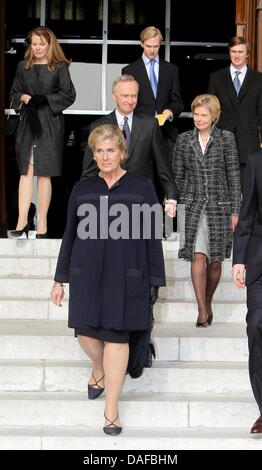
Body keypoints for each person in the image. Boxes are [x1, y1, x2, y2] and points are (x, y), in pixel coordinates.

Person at [51, 124, 166, 435]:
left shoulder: (142, 187)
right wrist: (59, 279)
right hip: (86, 274)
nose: (104, 156)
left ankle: (111, 407)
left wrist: (155, 279)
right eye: (99, 151)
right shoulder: (82, 188)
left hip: (127, 275)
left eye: (110, 150)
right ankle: (99, 368)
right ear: (93, 153)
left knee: (117, 338)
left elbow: (152, 236)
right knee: (85, 334)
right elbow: (70, 236)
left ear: (122, 152)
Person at [81, 74, 176, 367]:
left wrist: (170, 195)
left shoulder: (149, 124)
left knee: (143, 277)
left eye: (134, 95)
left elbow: (162, 163)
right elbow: (87, 174)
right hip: (106, 218)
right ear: (114, 96)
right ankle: (108, 338)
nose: (130, 100)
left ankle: (141, 341)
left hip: (140, 211)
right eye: (125, 95)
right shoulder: (99, 126)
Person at [172, 94, 241, 327]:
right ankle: (202, 311)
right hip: (193, 208)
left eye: (203, 115)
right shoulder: (183, 140)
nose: (198, 119)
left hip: (220, 207)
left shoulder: (226, 139)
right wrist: (183, 200)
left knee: (215, 262)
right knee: (198, 256)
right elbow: (177, 174)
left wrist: (235, 210)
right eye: (196, 114)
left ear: (214, 117)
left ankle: (208, 302)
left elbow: (233, 175)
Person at [9, 26, 76, 239]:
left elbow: (69, 95)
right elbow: (14, 91)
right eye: (34, 44)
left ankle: (43, 224)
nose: (37, 48)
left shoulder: (59, 67)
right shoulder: (23, 66)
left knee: (44, 173)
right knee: (25, 171)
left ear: (50, 44)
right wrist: (25, 98)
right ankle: (21, 221)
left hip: (49, 123)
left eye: (42, 44)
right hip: (28, 123)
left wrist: (45, 99)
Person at [232, 148, 262, 434]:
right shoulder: (255, 162)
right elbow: (248, 213)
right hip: (259, 262)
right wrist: (239, 258)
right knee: (256, 325)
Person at [122, 26, 184, 162]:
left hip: (167, 134)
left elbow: (178, 102)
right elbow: (126, 104)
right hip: (141, 133)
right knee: (142, 177)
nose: (152, 50)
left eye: (156, 46)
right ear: (141, 44)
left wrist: (171, 111)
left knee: (167, 178)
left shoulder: (171, 70)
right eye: (148, 46)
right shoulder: (129, 71)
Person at [208, 36, 262, 189]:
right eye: (233, 51)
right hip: (222, 141)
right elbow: (211, 111)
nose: (236, 55)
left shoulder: (259, 79)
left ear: (247, 54)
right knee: (222, 192)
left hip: (249, 142)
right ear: (229, 52)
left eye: (240, 51)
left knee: (247, 192)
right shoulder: (216, 77)